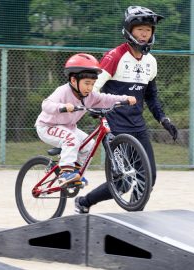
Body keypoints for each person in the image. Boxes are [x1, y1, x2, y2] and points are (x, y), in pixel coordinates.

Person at [75, 6, 178, 214]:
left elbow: (150, 96)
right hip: (114, 125)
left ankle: (134, 217)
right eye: (140, 29)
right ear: (130, 30)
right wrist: (92, 106)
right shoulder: (115, 56)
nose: (144, 34)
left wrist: (163, 119)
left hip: (137, 126)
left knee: (148, 176)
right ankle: (84, 202)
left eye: (148, 30)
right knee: (122, 181)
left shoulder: (150, 62)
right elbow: (93, 86)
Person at [35, 53, 136, 187]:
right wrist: (63, 107)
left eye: (93, 84)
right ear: (73, 81)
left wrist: (125, 99)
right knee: (71, 139)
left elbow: (106, 98)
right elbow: (46, 105)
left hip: (69, 128)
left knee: (89, 145)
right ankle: (66, 173)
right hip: (47, 127)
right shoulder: (63, 91)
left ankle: (75, 173)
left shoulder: (90, 96)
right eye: (87, 83)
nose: (90, 87)